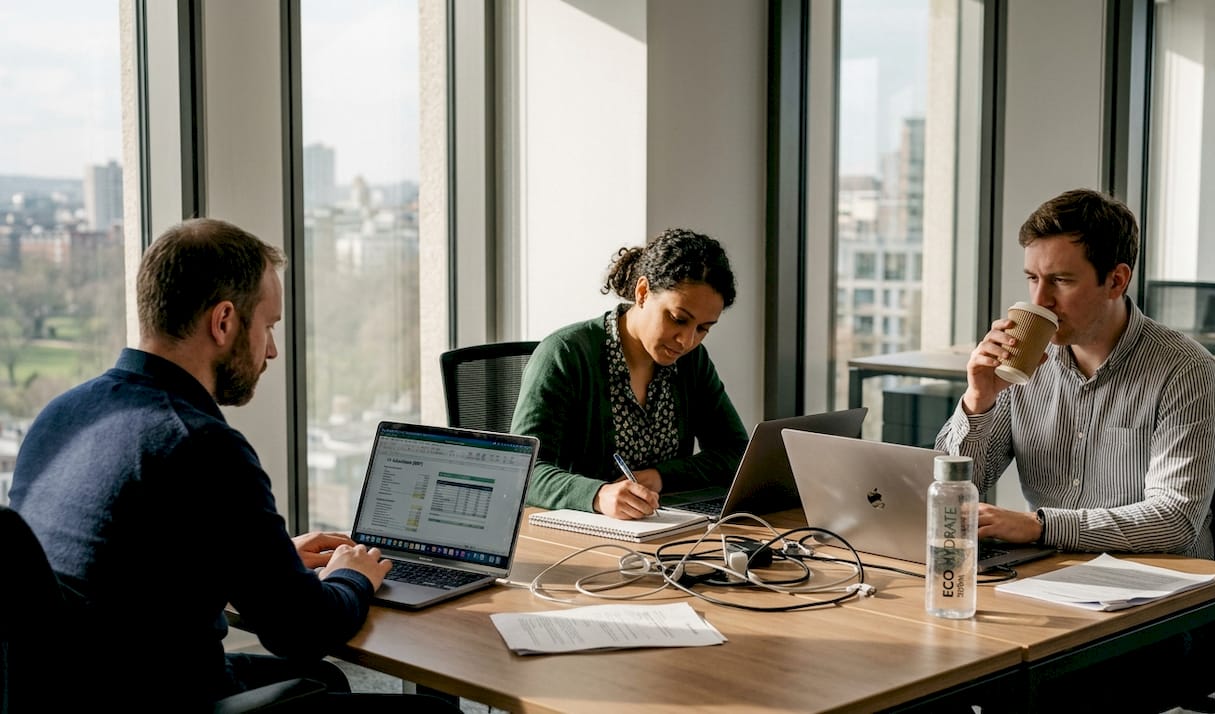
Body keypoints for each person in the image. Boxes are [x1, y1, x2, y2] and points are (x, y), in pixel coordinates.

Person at [8, 218, 458, 711]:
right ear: (224, 322)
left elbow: (122, 570)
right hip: (168, 697)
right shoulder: (199, 444)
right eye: (267, 326)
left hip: (86, 690)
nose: (271, 350)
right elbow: (303, 632)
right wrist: (353, 574)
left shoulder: (62, 415)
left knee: (322, 679)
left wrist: (266, 557)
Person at [935, 188, 1215, 558]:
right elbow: (951, 493)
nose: (1040, 301)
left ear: (1116, 281)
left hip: (1154, 580)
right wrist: (979, 400)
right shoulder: (1023, 364)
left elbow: (1175, 522)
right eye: (1032, 278)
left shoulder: (1183, 369)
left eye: (1061, 280)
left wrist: (1040, 526)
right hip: (1049, 567)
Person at [510, 228, 749, 519]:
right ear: (643, 292)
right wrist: (597, 495)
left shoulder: (691, 361)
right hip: (580, 538)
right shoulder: (565, 354)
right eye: (678, 319)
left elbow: (736, 453)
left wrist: (661, 476)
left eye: (703, 329)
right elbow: (525, 470)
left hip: (665, 529)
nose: (686, 341)